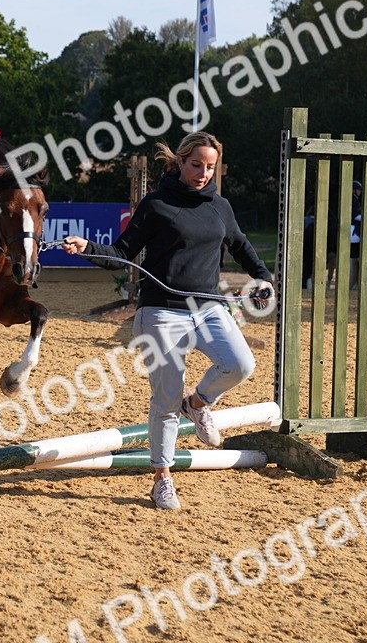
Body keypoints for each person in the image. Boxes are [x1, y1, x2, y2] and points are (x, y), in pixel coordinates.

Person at [61, 132, 273, 511]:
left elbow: (240, 245)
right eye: (196, 165)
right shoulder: (156, 203)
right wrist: (87, 248)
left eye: (210, 167)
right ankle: (162, 477)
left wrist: (263, 278)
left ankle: (199, 401)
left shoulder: (220, 206)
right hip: (160, 310)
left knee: (241, 364)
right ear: (179, 162)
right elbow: (123, 252)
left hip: (208, 308)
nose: (203, 173)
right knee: (165, 399)